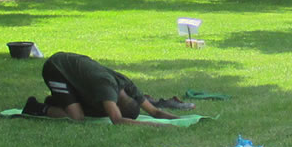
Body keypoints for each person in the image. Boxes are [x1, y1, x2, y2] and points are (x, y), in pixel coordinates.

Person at [23, 51, 180, 126]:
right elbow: (117, 120)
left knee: (90, 109)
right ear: (117, 105)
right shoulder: (107, 90)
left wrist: (179, 121)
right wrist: (155, 125)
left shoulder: (127, 86)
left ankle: (59, 101)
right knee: (76, 117)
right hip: (57, 68)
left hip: (75, 70)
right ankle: (36, 107)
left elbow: (155, 112)